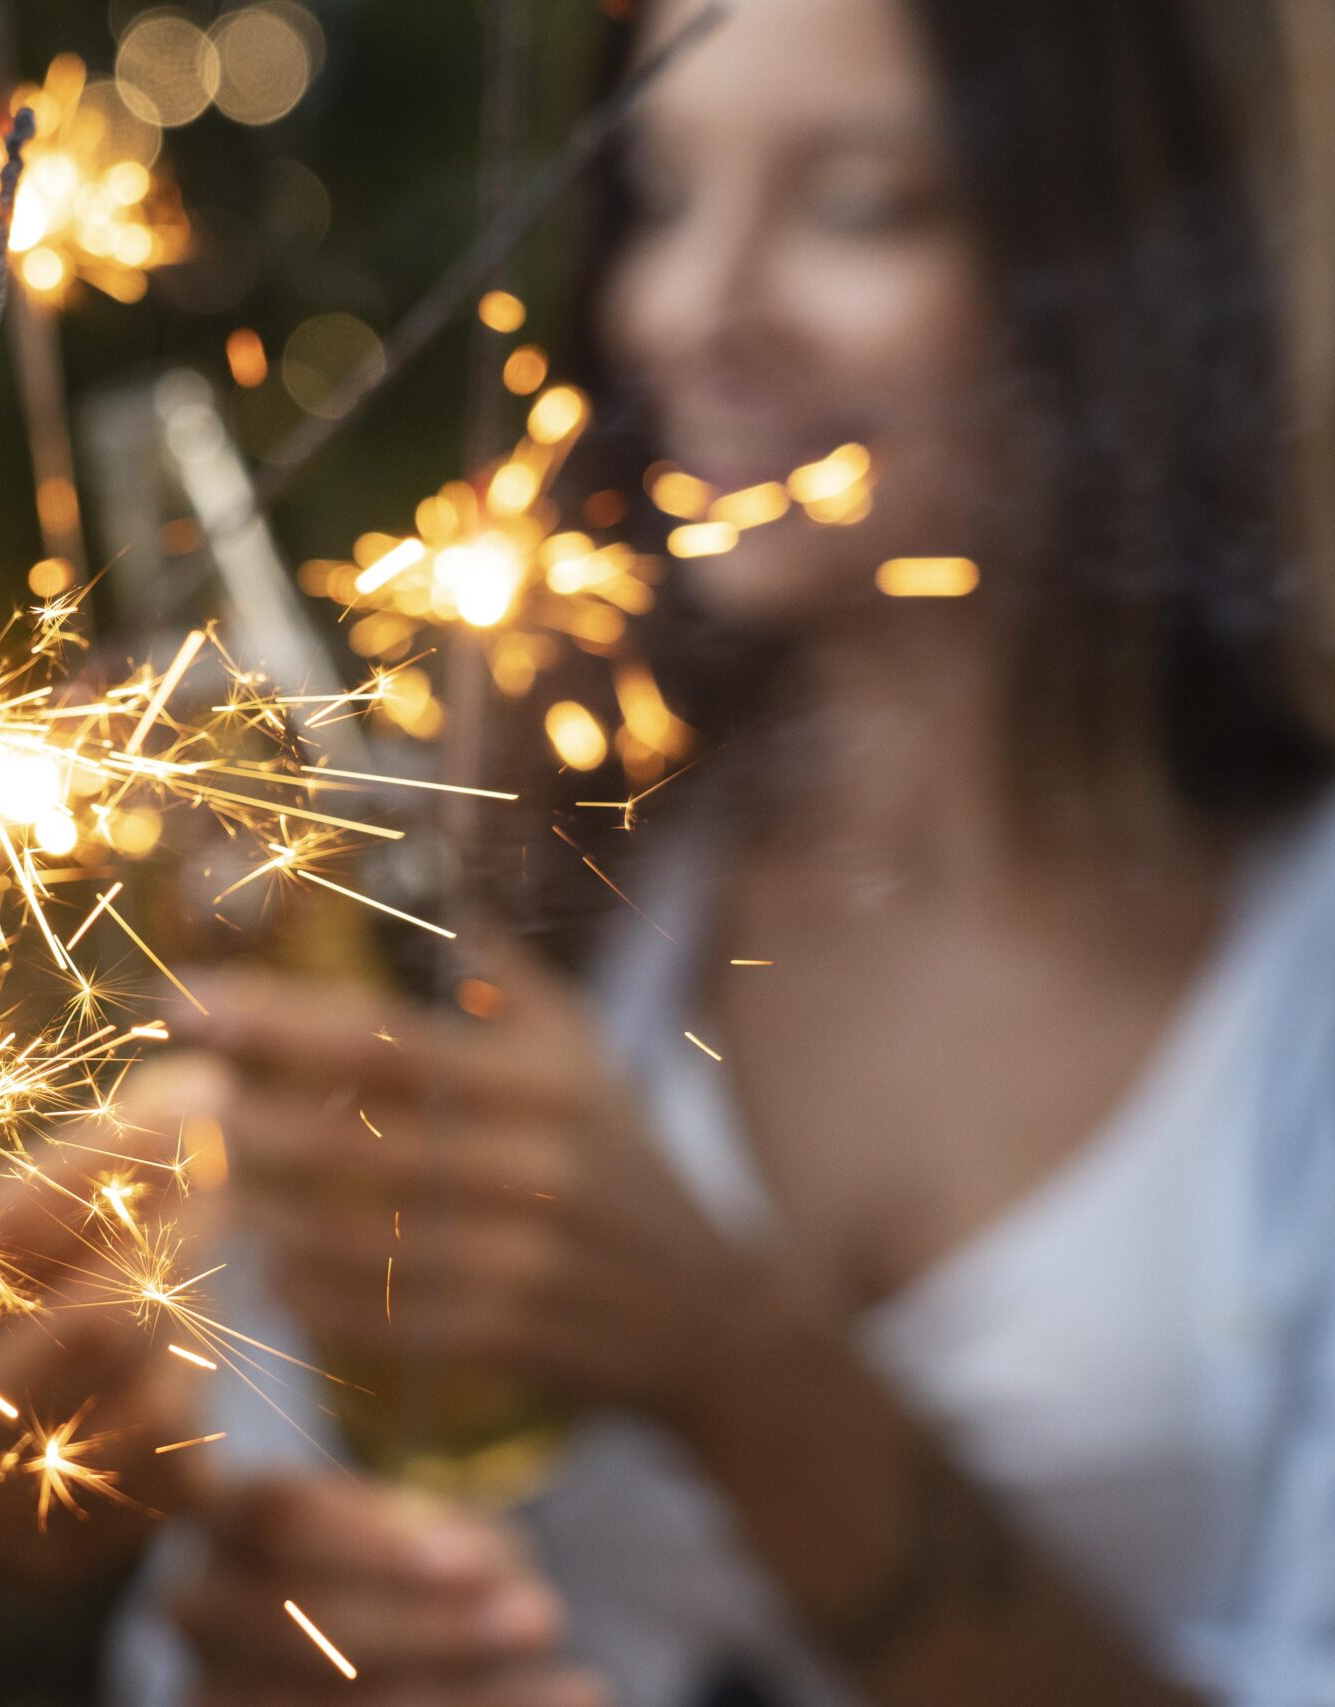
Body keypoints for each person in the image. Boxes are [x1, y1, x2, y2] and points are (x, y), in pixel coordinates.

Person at [160, 0, 1335, 1702]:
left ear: (1132, 254)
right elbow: (240, 1530)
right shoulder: (525, 871)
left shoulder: (1298, 979)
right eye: (657, 191)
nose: (688, 309)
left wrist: (729, 1358)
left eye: (856, 203)